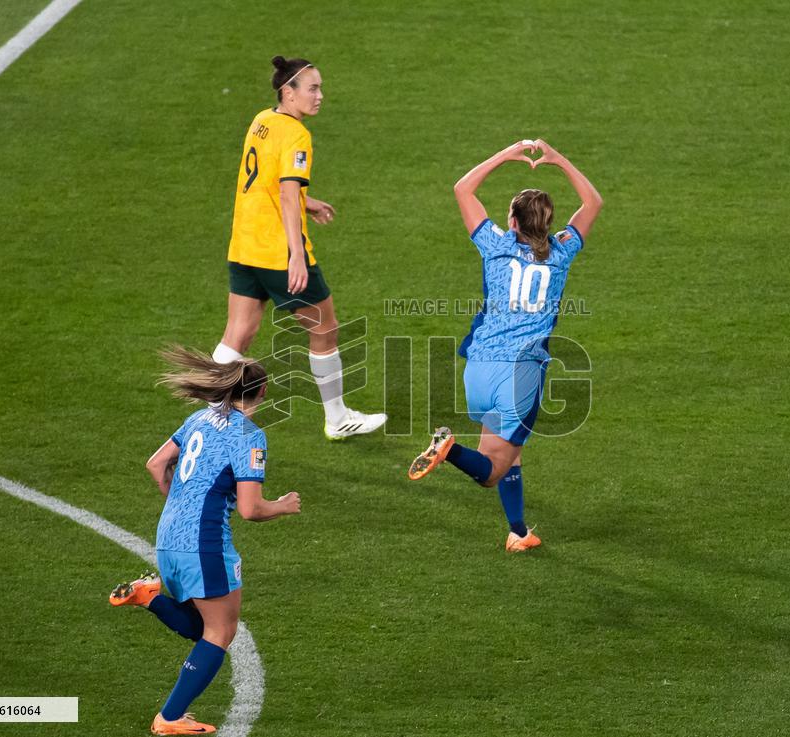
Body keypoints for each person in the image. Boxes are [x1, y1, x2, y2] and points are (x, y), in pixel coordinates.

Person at [408, 139, 603, 552]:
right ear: (547, 224)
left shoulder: (494, 245)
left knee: (510, 453)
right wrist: (559, 159)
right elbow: (593, 202)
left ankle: (519, 532)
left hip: (479, 366)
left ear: (512, 222)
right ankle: (448, 449)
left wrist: (506, 153)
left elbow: (463, 188)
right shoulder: (562, 251)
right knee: (491, 472)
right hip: (520, 375)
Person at [109, 346, 301, 735]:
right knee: (220, 632)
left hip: (168, 536)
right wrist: (283, 506)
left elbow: (156, 464)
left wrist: (180, 502)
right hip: (204, 543)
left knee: (204, 629)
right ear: (263, 392)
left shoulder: (198, 418)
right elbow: (251, 509)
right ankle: (170, 717)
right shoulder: (249, 435)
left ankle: (148, 596)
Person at [213, 55, 386, 440]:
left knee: (237, 334)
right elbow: (288, 193)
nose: (320, 95)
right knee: (325, 328)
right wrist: (295, 254)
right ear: (288, 92)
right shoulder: (297, 135)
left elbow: (264, 182)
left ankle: (211, 419)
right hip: (277, 251)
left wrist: (310, 202)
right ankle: (337, 419)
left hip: (244, 245)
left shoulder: (262, 120)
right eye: (312, 88)